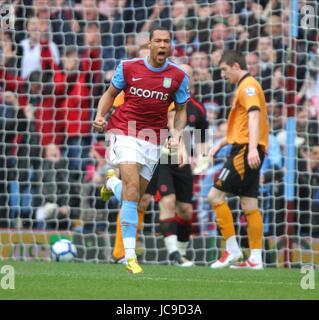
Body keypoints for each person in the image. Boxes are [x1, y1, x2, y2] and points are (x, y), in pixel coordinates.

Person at [93, 26, 190, 274]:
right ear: (149, 44)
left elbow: (180, 111)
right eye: (157, 41)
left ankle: (112, 184)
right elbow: (110, 93)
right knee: (133, 191)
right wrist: (100, 115)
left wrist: (177, 135)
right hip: (125, 130)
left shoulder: (178, 76)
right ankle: (129, 256)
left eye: (166, 41)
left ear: (170, 46)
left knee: (136, 197)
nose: (162, 45)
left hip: (152, 139)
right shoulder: (128, 67)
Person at [207, 50, 269, 270]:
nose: (222, 75)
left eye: (224, 69)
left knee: (214, 196)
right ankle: (255, 258)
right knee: (249, 203)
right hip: (245, 147)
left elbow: (254, 115)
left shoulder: (248, 86)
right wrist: (221, 143)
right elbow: (242, 125)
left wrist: (252, 148)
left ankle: (232, 250)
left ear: (235, 66)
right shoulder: (244, 87)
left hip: (245, 150)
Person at [157, 63, 209, 267]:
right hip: (163, 158)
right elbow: (172, 125)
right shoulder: (169, 102)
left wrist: (204, 157)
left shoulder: (198, 109)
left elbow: (202, 136)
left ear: (192, 79)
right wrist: (181, 149)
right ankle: (173, 254)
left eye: (188, 74)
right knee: (168, 202)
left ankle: (181, 254)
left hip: (184, 163)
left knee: (186, 210)